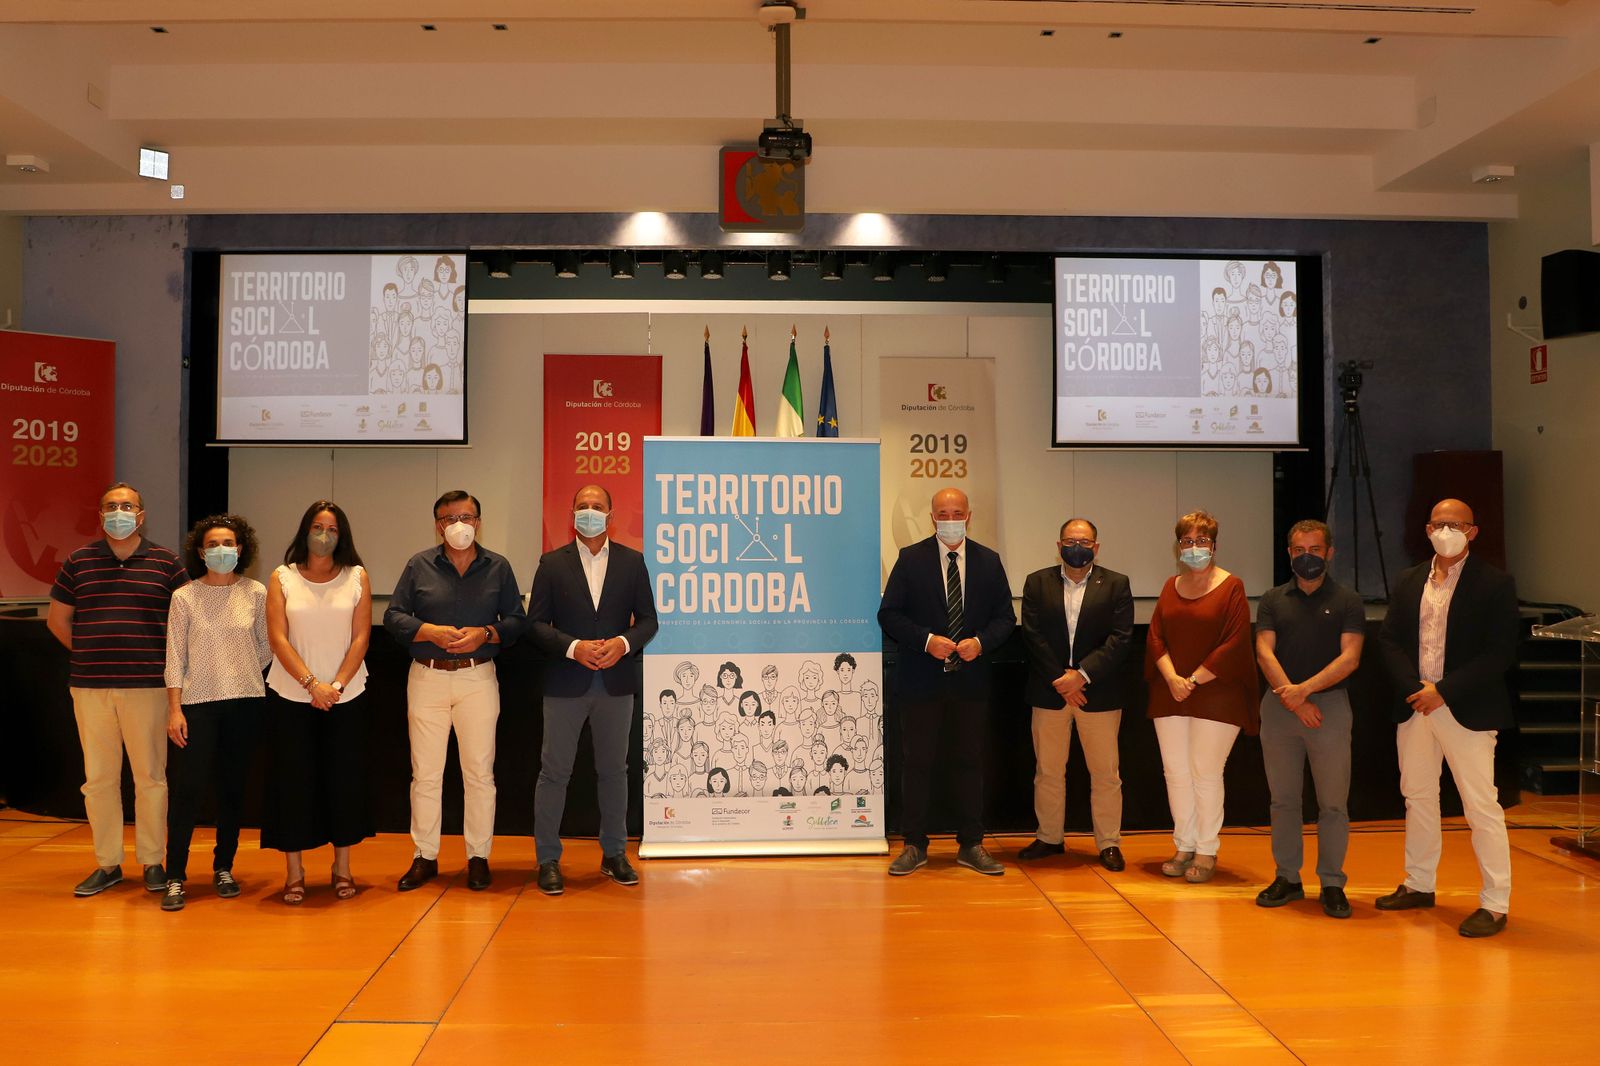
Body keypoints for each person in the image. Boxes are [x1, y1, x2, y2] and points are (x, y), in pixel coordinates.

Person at [1376, 499, 1519, 938]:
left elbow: (1501, 653)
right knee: (1417, 796)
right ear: (1427, 529)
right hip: (1416, 705)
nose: (1446, 530)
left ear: (1472, 532)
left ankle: (1495, 904)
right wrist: (1417, 690)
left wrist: (1444, 691)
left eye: (1455, 524)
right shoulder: (1409, 580)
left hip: (1466, 708)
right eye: (1439, 523)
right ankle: (1419, 883)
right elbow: (1389, 640)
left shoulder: (1495, 583)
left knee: (1481, 805)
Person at [47, 482, 189, 897]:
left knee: (150, 778)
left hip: (148, 688)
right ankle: (107, 863)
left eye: (127, 505)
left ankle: (152, 862)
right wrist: (90, 652)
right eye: (111, 505)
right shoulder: (78, 562)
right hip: (90, 688)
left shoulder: (166, 563)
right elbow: (58, 622)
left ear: (142, 515)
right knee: (99, 779)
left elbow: (183, 627)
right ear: (100, 514)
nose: (119, 511)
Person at [384, 490, 526, 892]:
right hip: (426, 676)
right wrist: (426, 630)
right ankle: (424, 857)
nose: (458, 525)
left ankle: (478, 857)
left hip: (477, 678)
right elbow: (393, 615)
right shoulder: (419, 565)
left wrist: (487, 633)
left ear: (478, 522)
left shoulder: (497, 566)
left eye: (466, 516)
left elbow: (517, 620)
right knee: (425, 774)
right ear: (438, 524)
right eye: (449, 518)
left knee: (479, 774)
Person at [527, 484, 658, 897]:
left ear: (611, 514)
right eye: (582, 506)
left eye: (597, 506)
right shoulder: (551, 563)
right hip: (566, 683)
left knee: (614, 773)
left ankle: (614, 853)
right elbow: (535, 625)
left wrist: (621, 645)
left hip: (616, 684)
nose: (589, 512)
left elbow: (649, 622)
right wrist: (573, 647)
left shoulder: (632, 563)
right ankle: (548, 859)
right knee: (554, 773)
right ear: (572, 514)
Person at [878, 486, 1016, 876]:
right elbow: (889, 615)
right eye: (943, 513)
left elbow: (1006, 618)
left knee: (970, 764)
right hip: (921, 684)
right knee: (916, 765)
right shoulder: (910, 559)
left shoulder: (989, 562)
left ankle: (971, 844)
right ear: (932, 518)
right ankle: (914, 845)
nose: (950, 519)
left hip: (970, 685)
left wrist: (980, 642)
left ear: (969, 517)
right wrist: (926, 641)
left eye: (957, 513)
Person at [262, 500, 375, 905]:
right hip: (292, 697)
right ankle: (295, 872)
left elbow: (361, 637)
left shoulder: (356, 576)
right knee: (293, 784)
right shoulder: (282, 577)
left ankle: (342, 868)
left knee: (342, 784)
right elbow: (278, 638)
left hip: (347, 696)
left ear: (341, 536)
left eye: (331, 530)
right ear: (304, 532)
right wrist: (313, 685)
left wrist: (336, 686)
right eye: (316, 527)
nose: (323, 536)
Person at [1253, 520, 1365, 918]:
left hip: (1330, 710)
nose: (1307, 557)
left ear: (1329, 552)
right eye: (1299, 550)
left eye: (1315, 550)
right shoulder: (1271, 599)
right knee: (1283, 800)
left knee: (1333, 803)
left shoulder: (1349, 600)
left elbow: (1350, 657)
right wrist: (1295, 698)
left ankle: (1332, 882)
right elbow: (1265, 653)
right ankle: (1288, 877)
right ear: (1289, 553)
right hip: (1281, 708)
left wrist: (1305, 691)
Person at [159, 514, 270, 912]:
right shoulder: (185, 597)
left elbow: (266, 648)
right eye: (213, 544)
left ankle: (224, 866)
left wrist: (236, 672)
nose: (221, 550)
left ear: (240, 550)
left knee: (232, 791)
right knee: (187, 792)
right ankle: (175, 875)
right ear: (200, 551)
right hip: (196, 706)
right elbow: (174, 657)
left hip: (244, 703)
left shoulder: (256, 592)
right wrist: (174, 709)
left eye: (228, 543)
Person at [1145, 510, 1257, 884]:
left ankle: (1206, 850)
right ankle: (1184, 845)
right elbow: (1155, 636)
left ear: (1215, 545)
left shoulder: (1232, 586)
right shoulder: (1169, 586)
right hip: (1169, 691)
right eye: (1187, 541)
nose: (1194, 548)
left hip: (1217, 694)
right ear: (1179, 546)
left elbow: (1235, 641)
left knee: (1205, 773)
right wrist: (1173, 679)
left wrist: (1191, 679)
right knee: (1175, 773)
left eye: (1202, 541)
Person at [1018, 518, 1135, 871]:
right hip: (1049, 690)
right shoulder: (1037, 582)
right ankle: (1049, 837)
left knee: (1105, 774)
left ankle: (1109, 843)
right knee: (1049, 771)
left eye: (1084, 542)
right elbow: (1032, 635)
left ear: (1096, 547)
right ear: (1058, 545)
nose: (1077, 547)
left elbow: (1121, 638)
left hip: (1097, 693)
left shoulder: (1116, 583)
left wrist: (1081, 676)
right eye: (1070, 541)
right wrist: (1061, 678)